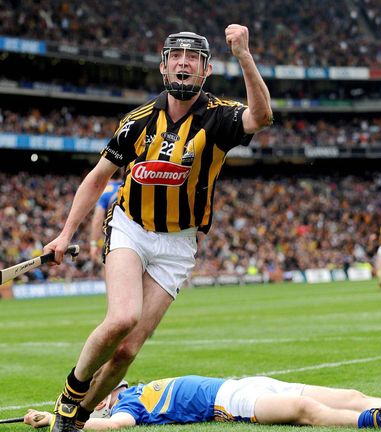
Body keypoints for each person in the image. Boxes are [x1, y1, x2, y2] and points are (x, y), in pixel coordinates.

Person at [41, 25, 273, 432]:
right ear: (163, 65)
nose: (184, 62)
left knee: (127, 350)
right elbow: (97, 178)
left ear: (206, 69)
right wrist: (65, 234)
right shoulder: (138, 121)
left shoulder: (218, 118)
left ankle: (77, 417)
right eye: (176, 55)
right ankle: (70, 394)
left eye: (194, 57)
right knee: (121, 320)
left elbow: (262, 116)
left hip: (179, 243)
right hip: (130, 226)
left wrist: (245, 56)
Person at [25, 370, 381, 430]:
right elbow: (120, 427)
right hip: (236, 403)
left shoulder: (132, 388)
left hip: (250, 381)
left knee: (346, 392)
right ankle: (375, 421)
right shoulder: (131, 409)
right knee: (306, 414)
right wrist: (60, 421)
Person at [88, 171, 123, 264]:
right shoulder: (128, 188)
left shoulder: (105, 191)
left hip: (112, 238)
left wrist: (94, 244)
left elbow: (97, 220)